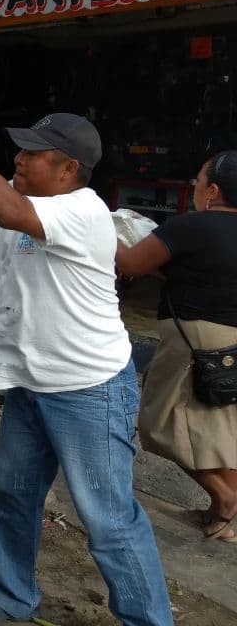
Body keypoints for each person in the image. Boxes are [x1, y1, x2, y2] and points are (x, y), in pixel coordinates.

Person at [0, 70, 172, 626]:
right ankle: (12, 595)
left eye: (33, 154)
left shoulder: (83, 211)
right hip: (30, 387)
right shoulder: (21, 199)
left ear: (68, 169)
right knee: (10, 495)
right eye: (21, 150)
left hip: (89, 392)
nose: (19, 158)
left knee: (108, 522)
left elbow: (9, 211)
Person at [116, 150, 237, 543]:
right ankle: (222, 516)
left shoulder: (192, 226)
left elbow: (131, 264)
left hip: (193, 340)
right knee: (222, 431)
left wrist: (101, 231)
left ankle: (226, 498)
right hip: (230, 343)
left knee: (155, 424)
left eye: (198, 180)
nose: (194, 186)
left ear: (213, 190)